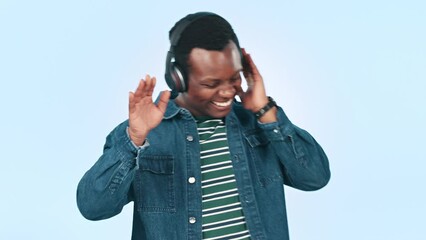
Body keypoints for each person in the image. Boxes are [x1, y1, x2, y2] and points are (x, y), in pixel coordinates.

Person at [77, 12, 330, 240]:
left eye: (234, 79)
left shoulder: (259, 123)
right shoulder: (143, 135)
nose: (226, 92)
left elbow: (315, 177)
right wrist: (134, 141)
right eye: (211, 84)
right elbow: (93, 207)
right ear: (178, 79)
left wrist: (265, 112)